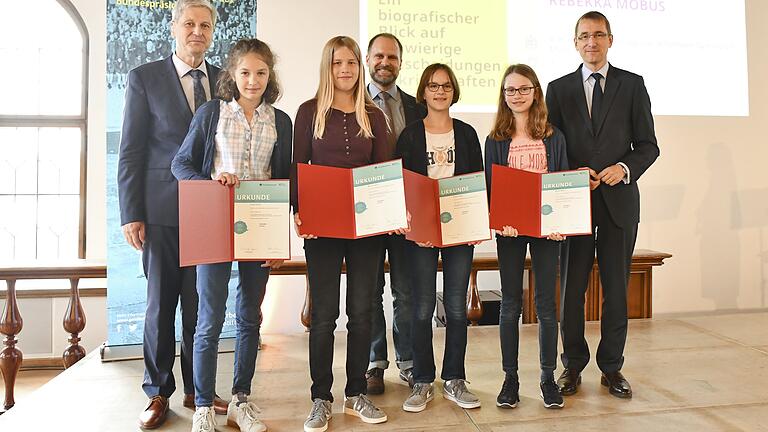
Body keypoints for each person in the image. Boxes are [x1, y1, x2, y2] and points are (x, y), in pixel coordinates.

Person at [171, 38, 292, 432]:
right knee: (209, 319)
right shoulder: (212, 114)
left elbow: (287, 181)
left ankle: (241, 399)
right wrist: (210, 179)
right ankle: (204, 404)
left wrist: (280, 238)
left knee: (249, 318)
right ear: (232, 74)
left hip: (259, 227)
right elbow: (181, 164)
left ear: (269, 75)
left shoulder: (281, 120)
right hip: (215, 224)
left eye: (260, 72)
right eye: (245, 72)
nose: (253, 80)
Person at [117, 0, 228, 428]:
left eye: (204, 25)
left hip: (211, 211)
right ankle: (157, 392)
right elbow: (131, 150)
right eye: (189, 23)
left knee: (202, 308)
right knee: (161, 305)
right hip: (160, 210)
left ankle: (198, 388)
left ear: (212, 31)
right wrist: (132, 213)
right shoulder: (143, 78)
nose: (197, 31)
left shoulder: (225, 80)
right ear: (173, 27)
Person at [546, 11, 660, 399]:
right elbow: (551, 146)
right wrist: (574, 173)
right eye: (584, 36)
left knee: (615, 288)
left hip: (618, 202)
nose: (591, 42)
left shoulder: (632, 85)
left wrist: (623, 167)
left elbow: (649, 144)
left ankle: (612, 367)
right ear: (575, 43)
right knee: (572, 289)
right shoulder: (557, 89)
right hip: (572, 202)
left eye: (598, 35)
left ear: (610, 39)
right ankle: (572, 366)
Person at [292, 36, 391, 432]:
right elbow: (299, 169)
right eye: (337, 63)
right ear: (327, 67)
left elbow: (385, 171)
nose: (345, 69)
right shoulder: (308, 112)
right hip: (323, 230)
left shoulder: (375, 116)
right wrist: (299, 213)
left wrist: (388, 212)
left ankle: (355, 393)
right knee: (324, 315)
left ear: (360, 66)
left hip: (367, 231)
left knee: (363, 310)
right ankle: (321, 398)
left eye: (351, 62)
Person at [396, 63, 484, 413]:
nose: (440, 91)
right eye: (433, 86)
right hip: (421, 234)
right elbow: (401, 186)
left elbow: (478, 183)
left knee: (457, 308)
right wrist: (413, 225)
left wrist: (476, 223)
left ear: (454, 91)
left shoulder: (466, 133)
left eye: (446, 86)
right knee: (420, 308)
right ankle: (421, 379)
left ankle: (454, 378)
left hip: (460, 231)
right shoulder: (410, 135)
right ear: (423, 92)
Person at [484, 64, 569, 410]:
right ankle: (510, 378)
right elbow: (491, 186)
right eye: (510, 90)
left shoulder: (554, 136)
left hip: (547, 230)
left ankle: (548, 378)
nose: (516, 95)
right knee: (510, 305)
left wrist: (560, 220)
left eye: (523, 89)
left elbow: (562, 182)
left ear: (535, 91)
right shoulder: (495, 140)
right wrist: (500, 219)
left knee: (546, 305)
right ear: (503, 96)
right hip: (510, 231)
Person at [364, 32, 426, 394]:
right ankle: (375, 363)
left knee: (406, 291)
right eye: (378, 56)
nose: (385, 62)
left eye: (392, 57)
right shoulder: (351, 102)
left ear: (400, 62)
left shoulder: (416, 107)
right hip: (369, 214)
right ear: (368, 59)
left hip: (407, 215)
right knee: (370, 291)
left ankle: (407, 359)